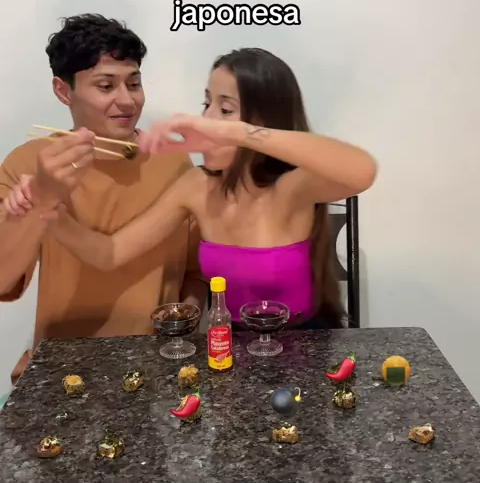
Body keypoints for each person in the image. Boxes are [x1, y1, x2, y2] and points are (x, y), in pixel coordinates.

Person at [4, 47, 377, 329]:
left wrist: (238, 133)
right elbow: (110, 253)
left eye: (225, 109)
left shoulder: (291, 186)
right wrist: (47, 210)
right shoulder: (196, 185)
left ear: (259, 122)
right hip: (227, 350)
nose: (206, 120)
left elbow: (362, 171)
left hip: (302, 349)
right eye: (207, 104)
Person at [0, 14, 205, 385]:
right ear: (64, 91)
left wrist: (186, 321)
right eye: (106, 85)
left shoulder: (172, 159)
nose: (126, 101)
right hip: (65, 369)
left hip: (158, 366)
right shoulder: (31, 163)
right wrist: (40, 199)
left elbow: (195, 273)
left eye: (134, 83)